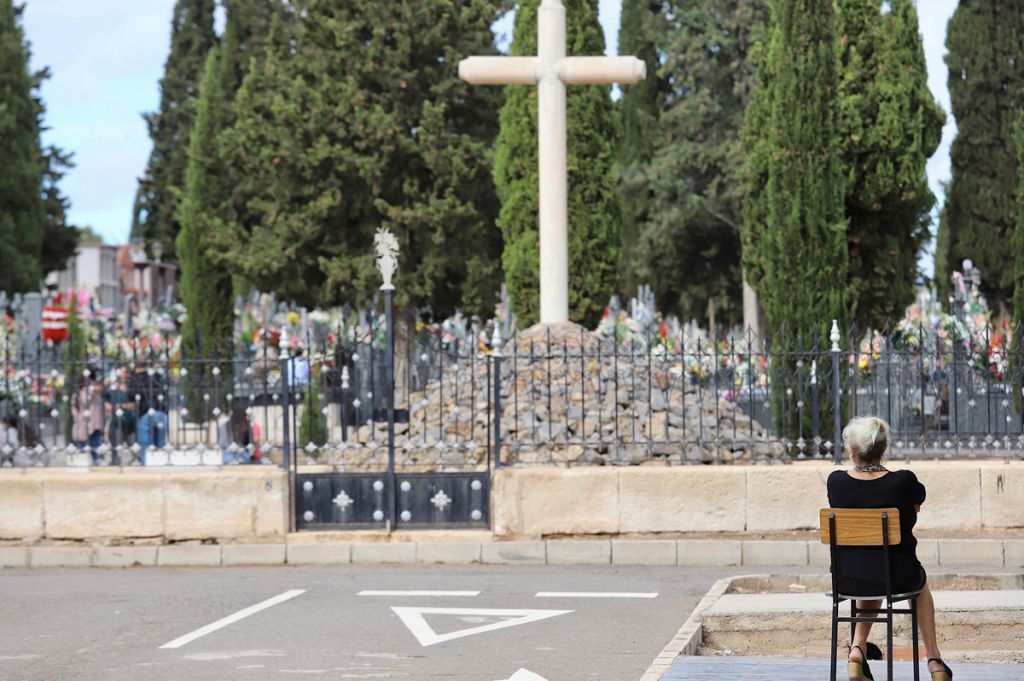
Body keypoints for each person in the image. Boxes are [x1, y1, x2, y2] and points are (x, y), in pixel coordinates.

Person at [827, 417, 953, 681]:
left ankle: (857, 650)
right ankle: (934, 660)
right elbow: (917, 502)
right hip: (897, 574)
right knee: (917, 583)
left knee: (872, 571)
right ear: (883, 449)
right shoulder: (903, 481)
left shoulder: (835, 482)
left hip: (847, 577)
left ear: (852, 452)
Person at [130, 360, 168, 465]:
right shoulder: (158, 376)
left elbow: (131, 395)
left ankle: (146, 465)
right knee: (160, 444)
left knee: (145, 445)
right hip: (160, 412)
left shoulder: (136, 379)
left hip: (144, 413)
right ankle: (160, 465)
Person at [71, 369, 104, 464]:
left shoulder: (76, 394)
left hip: (80, 427)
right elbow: (96, 390)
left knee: (82, 453)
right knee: (95, 454)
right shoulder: (89, 390)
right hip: (92, 426)